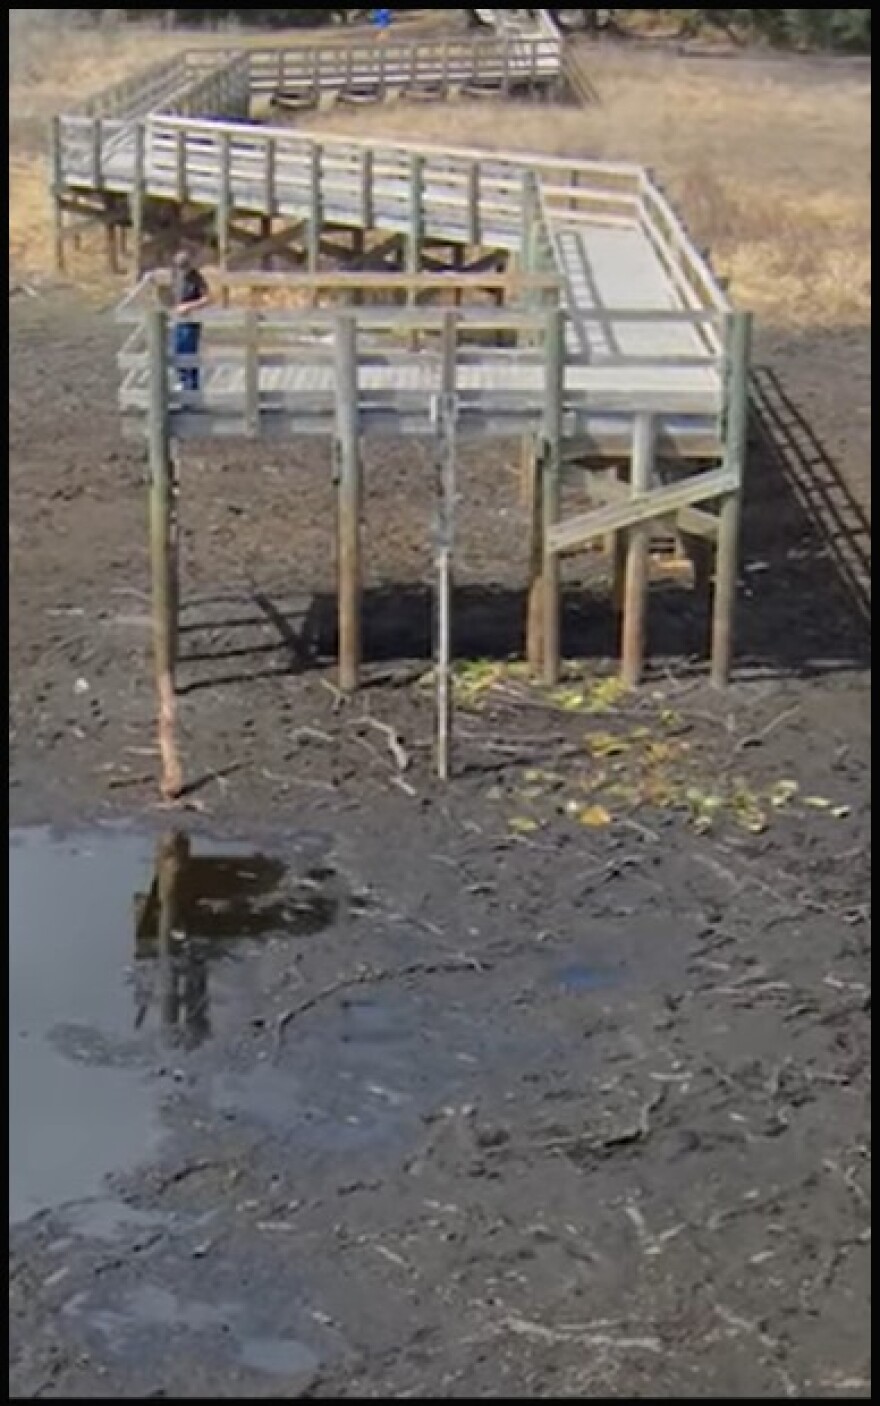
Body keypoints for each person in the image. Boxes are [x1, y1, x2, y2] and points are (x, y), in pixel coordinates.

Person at [171, 250, 209, 393]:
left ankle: (192, 386)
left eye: (184, 266)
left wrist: (189, 306)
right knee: (177, 349)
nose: (182, 269)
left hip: (191, 320)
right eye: (179, 266)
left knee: (189, 351)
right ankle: (181, 381)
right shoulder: (176, 275)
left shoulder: (197, 278)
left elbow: (207, 298)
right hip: (178, 319)